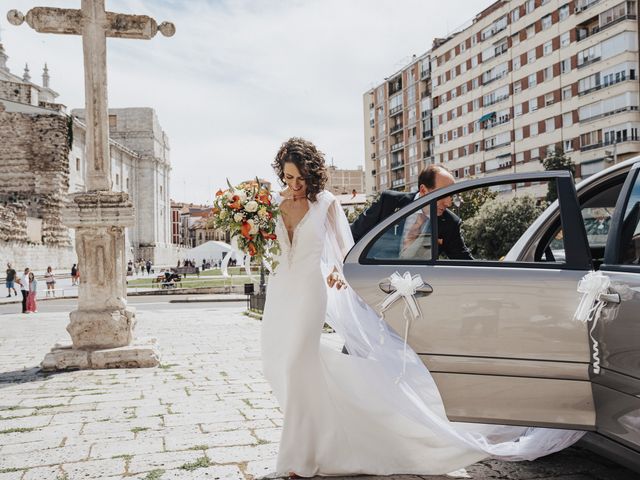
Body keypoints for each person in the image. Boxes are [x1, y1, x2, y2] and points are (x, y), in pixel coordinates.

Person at [261, 138, 582, 478]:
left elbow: (457, 259)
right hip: (290, 292)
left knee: (302, 364)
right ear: (424, 190)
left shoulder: (444, 222)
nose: (295, 185)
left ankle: (301, 454)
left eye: (301, 178)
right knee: (282, 366)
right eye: (289, 177)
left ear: (312, 175)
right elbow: (354, 240)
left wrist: (497, 273)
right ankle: (336, 429)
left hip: (358, 296)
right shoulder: (385, 203)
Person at [350, 165, 472, 260]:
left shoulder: (450, 223)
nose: (448, 203)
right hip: (372, 282)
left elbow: (465, 262)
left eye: (451, 196)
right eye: (443, 195)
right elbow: (352, 235)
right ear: (423, 190)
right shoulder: (389, 202)